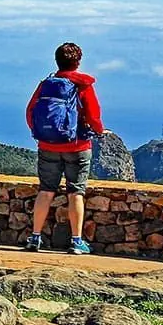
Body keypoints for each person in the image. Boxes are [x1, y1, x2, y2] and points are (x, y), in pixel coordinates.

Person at [25, 42, 104, 254]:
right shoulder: (83, 86)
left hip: (47, 146)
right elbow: (94, 115)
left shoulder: (46, 85)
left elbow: (30, 111)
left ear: (57, 61)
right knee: (75, 193)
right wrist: (98, 130)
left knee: (45, 191)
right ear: (78, 62)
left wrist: (43, 133)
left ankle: (34, 238)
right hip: (77, 146)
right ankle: (76, 242)